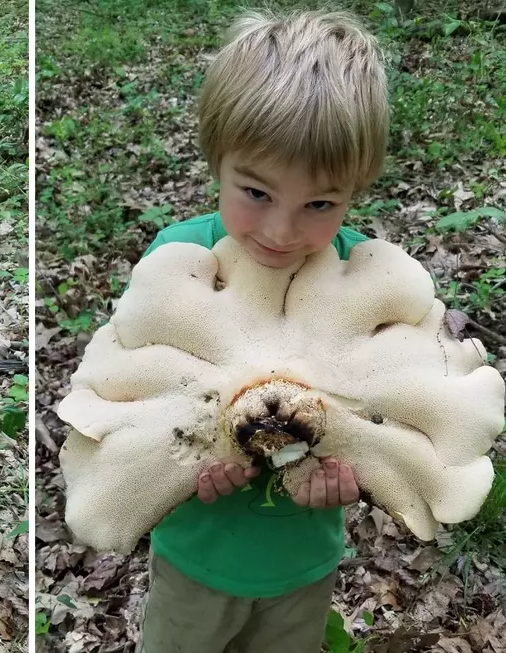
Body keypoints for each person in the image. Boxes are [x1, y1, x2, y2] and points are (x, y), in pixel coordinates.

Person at [135, 10, 388, 653]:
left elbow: (383, 409)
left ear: (355, 191)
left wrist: (353, 470)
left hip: (300, 565)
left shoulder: (365, 280)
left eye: (320, 205)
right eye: (255, 192)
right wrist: (188, 456)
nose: (281, 231)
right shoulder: (181, 263)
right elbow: (135, 389)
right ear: (216, 161)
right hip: (196, 558)